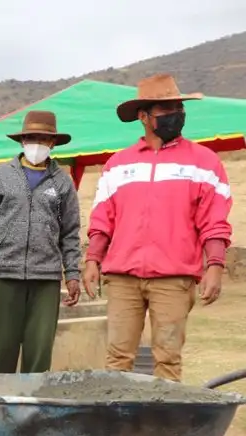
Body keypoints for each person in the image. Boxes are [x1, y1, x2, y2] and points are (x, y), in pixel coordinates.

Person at [84, 74, 232, 381]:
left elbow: (214, 219)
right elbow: (102, 218)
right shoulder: (118, 164)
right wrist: (92, 259)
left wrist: (215, 265)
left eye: (178, 107)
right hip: (122, 277)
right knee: (118, 357)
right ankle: (119, 424)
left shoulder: (205, 162)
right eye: (166, 109)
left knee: (167, 359)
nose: (176, 114)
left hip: (174, 277)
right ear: (143, 116)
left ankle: (163, 426)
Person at [0, 110, 82, 374]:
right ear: (22, 141)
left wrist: (72, 274)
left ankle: (32, 409)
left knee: (39, 354)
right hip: (5, 274)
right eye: (32, 137)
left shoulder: (62, 182)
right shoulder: (1, 176)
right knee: (0, 352)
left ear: (53, 143)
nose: (37, 144)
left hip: (45, 278)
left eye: (44, 139)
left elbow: (70, 231)